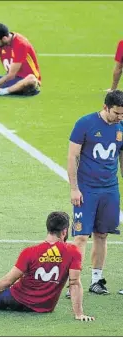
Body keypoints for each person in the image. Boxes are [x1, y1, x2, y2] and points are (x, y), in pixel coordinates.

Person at [0, 212, 95, 322]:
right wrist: (79, 314)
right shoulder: (73, 251)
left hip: (17, 298)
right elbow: (74, 283)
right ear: (65, 231)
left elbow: (8, 280)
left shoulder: (30, 252)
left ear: (48, 228)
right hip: (45, 307)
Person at [67, 89, 123, 296]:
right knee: (81, 236)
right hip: (87, 190)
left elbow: (121, 156)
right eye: (116, 113)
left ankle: (97, 280)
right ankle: (74, 282)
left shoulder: (121, 126)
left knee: (102, 235)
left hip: (110, 189)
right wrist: (74, 188)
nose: (120, 117)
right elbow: (72, 157)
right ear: (105, 107)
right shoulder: (85, 123)